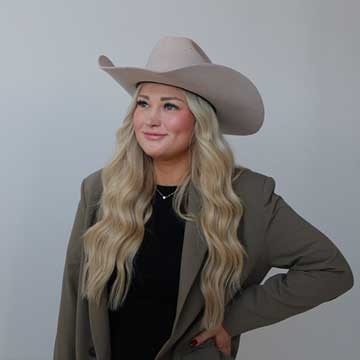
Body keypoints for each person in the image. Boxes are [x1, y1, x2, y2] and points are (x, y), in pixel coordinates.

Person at [53, 36, 354, 360]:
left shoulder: (247, 196)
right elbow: (74, 302)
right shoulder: (99, 190)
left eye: (169, 105)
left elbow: (330, 270)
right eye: (143, 103)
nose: (151, 119)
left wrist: (230, 319)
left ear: (200, 120)